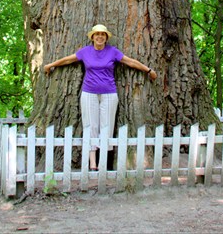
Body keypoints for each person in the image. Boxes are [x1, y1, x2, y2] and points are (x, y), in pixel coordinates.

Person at [44, 24, 157, 170]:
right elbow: (67, 60)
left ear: (106, 38)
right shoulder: (85, 52)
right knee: (90, 126)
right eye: (97, 34)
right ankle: (92, 163)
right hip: (89, 93)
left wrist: (148, 70)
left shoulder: (112, 52)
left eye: (103, 35)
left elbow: (130, 61)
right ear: (92, 37)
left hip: (109, 93)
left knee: (106, 127)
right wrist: (50, 65)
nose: (99, 37)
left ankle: (104, 161)